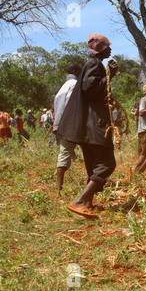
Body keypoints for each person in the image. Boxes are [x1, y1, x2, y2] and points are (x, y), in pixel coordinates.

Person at [56, 33, 119, 220]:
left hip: (86, 126)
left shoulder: (92, 64)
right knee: (107, 163)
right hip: (94, 125)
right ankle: (80, 201)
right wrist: (109, 75)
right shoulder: (94, 64)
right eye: (108, 46)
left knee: (93, 165)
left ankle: (88, 204)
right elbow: (90, 90)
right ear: (101, 48)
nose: (110, 49)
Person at [53, 63, 82, 198]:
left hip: (60, 126)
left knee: (63, 155)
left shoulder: (62, 88)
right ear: (75, 71)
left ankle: (59, 190)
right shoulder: (75, 84)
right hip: (72, 125)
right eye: (80, 71)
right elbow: (75, 104)